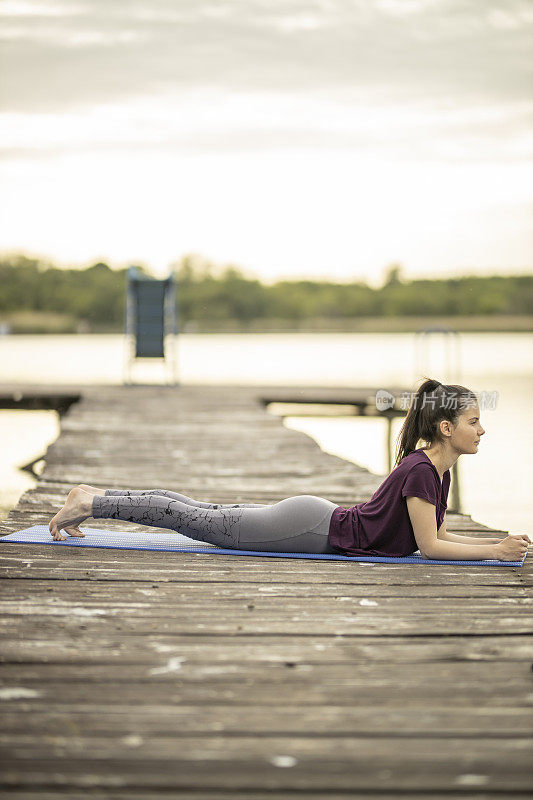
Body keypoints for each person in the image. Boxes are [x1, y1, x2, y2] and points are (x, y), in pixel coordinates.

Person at [48, 377, 530, 562]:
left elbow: (438, 541)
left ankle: (94, 494)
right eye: (473, 421)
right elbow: (430, 548)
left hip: (313, 520)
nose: (481, 430)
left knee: (197, 511)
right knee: (196, 521)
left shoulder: (432, 470)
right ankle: (91, 501)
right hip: (310, 525)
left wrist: (496, 546)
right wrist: (495, 551)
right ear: (446, 428)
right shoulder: (424, 472)